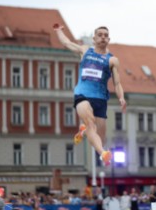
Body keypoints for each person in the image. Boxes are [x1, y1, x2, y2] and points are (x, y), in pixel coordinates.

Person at [54, 24, 127, 165]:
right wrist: (58, 31)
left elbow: (117, 83)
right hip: (82, 94)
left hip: (100, 99)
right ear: (94, 39)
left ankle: (84, 131)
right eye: (100, 35)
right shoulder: (85, 51)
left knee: (101, 137)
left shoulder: (112, 60)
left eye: (106, 35)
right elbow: (66, 43)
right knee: (91, 124)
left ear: (109, 39)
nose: (103, 37)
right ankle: (103, 153)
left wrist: (121, 97)